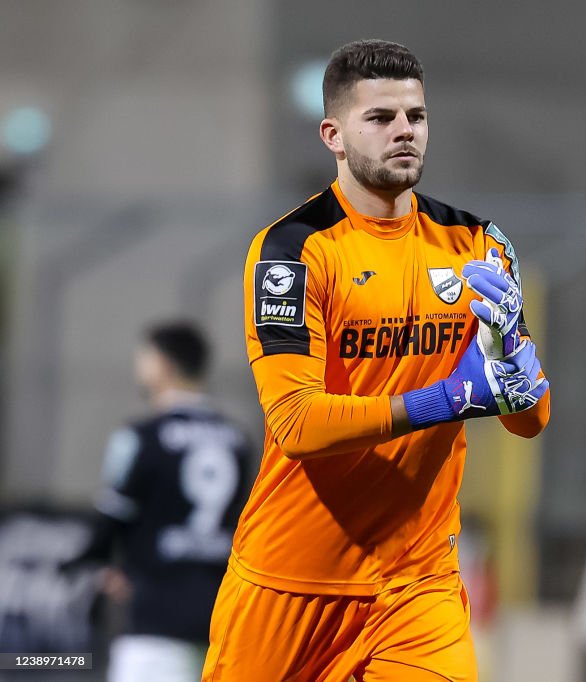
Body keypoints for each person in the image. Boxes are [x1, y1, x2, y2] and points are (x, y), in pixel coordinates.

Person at [202, 39, 551, 682]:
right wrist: (451, 399)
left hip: (419, 586)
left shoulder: (477, 243)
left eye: (415, 117)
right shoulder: (293, 250)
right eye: (381, 118)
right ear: (333, 135)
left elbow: (530, 421)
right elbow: (298, 425)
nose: (404, 132)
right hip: (292, 583)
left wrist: (509, 360)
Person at [72, 321, 251, 681]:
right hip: (217, 618)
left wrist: (94, 562)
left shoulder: (141, 436)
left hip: (153, 620)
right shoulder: (237, 439)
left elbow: (113, 512)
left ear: (162, 365)